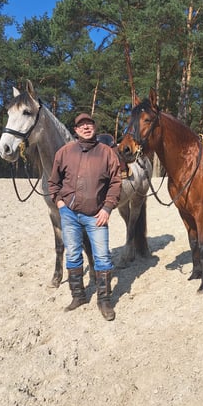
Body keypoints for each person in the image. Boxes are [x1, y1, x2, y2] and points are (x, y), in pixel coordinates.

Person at [48, 113, 122, 320]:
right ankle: (78, 296)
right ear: (76, 130)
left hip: (96, 215)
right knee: (72, 255)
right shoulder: (64, 152)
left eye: (89, 123)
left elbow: (116, 183)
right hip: (69, 214)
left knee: (102, 257)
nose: (86, 127)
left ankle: (104, 301)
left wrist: (107, 208)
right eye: (81, 125)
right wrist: (60, 204)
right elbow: (53, 182)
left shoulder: (107, 153)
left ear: (94, 127)